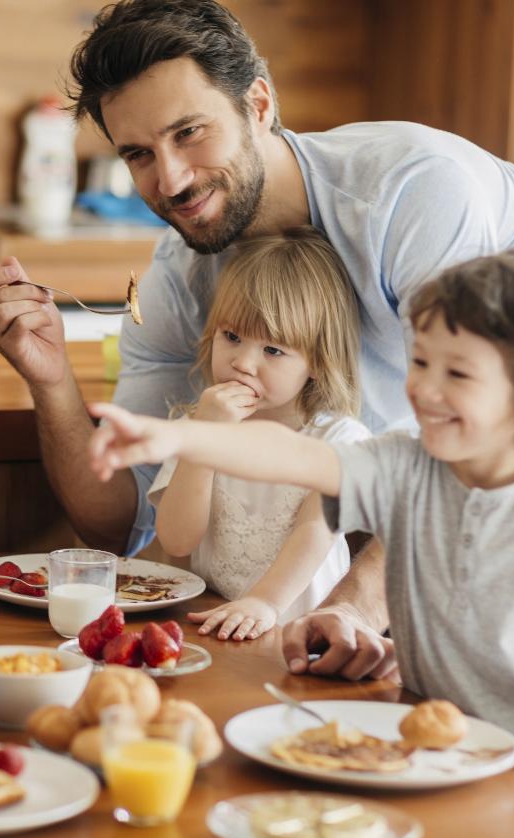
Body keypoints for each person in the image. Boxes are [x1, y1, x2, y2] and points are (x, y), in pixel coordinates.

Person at [0, 0, 514, 830]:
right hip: (460, 465)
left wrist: (352, 602)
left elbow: (461, 438)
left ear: (259, 104)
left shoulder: (412, 197)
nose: (171, 179)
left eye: (190, 133)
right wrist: (54, 383)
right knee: (476, 715)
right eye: (138, 154)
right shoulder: (189, 274)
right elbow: (130, 507)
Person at [90, 252, 514, 809]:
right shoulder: (406, 466)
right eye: (422, 363)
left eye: (456, 373)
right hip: (440, 756)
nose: (425, 390)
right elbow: (291, 455)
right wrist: (180, 439)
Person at [149, 229, 369, 641]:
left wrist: (265, 602)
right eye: (231, 337)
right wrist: (207, 437)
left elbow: (314, 531)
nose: (243, 363)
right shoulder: (193, 426)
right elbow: (177, 540)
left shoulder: (337, 439)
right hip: (213, 625)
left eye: (273, 350)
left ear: (318, 362)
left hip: (298, 633)